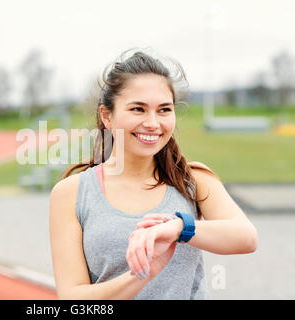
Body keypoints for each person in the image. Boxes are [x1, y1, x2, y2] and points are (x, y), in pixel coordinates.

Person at [48, 48, 258, 300]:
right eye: (138, 109)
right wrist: (141, 274)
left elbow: (246, 237)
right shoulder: (72, 192)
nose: (152, 123)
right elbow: (74, 298)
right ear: (107, 116)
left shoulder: (194, 179)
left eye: (164, 110)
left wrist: (179, 228)